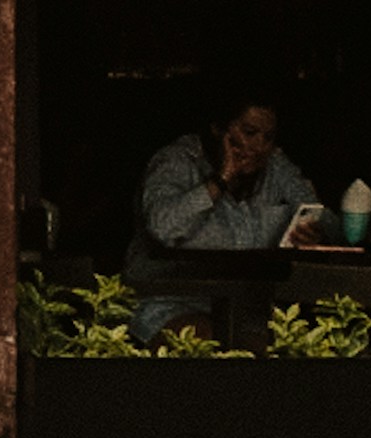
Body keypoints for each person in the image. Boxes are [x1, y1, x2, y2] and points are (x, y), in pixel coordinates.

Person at [124, 96, 331, 341]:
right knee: (203, 342)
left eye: (268, 137)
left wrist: (315, 230)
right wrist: (221, 180)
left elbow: (320, 214)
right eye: (250, 132)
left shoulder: (274, 164)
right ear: (218, 129)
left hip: (245, 307)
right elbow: (161, 227)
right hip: (170, 301)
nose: (258, 146)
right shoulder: (178, 161)